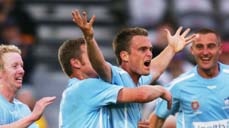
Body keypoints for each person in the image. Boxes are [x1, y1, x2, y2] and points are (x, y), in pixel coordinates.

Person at [72, 10, 195, 127]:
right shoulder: (114, 77)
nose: (150, 54)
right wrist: (89, 38)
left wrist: (171, 48)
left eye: (150, 49)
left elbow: (156, 68)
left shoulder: (139, 80)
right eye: (142, 49)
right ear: (125, 56)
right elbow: (100, 65)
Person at [58, 38, 172, 128]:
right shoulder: (87, 87)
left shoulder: (79, 91)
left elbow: (151, 71)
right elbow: (142, 95)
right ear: (76, 63)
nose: (96, 58)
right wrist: (161, 90)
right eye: (90, 54)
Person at [149, 28, 229, 128]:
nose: (205, 52)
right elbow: (156, 118)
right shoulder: (179, 85)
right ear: (192, 50)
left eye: (210, 46)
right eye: (199, 47)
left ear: (219, 49)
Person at [0, 44, 56, 128]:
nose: (21, 70)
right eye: (15, 66)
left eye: (21, 66)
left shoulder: (24, 109)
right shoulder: (30, 116)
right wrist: (32, 117)